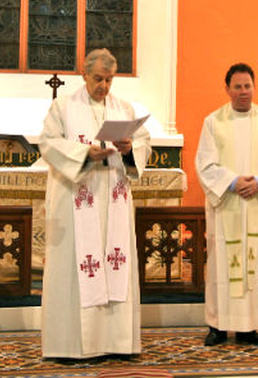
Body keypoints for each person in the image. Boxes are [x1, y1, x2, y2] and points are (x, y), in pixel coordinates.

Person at [39, 48, 151, 359]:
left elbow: (144, 144)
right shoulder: (63, 106)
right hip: (79, 196)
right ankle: (71, 345)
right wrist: (85, 153)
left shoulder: (124, 108)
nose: (103, 86)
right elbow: (47, 143)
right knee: (78, 265)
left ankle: (117, 343)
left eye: (109, 80)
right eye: (98, 79)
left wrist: (129, 148)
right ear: (85, 74)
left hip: (112, 196)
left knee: (114, 261)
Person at [195, 63, 258, 346]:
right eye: (237, 87)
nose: (243, 92)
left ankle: (249, 328)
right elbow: (205, 163)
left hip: (256, 206)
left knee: (255, 265)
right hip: (226, 204)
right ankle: (218, 327)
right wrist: (232, 181)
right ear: (227, 89)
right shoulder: (213, 122)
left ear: (254, 87)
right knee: (220, 267)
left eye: (247, 86)